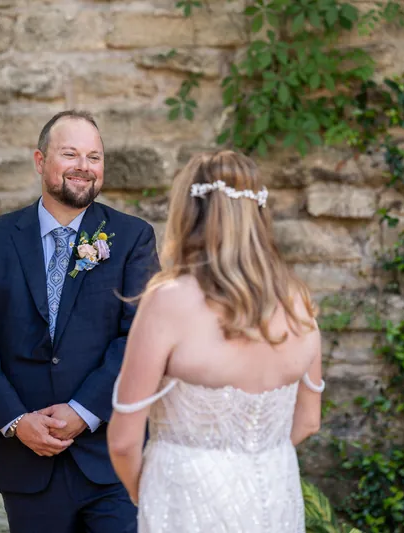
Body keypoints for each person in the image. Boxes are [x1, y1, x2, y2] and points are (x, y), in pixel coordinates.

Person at [0, 110, 159, 533]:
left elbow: (140, 336)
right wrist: (16, 421)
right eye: (70, 153)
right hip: (26, 460)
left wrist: (83, 411)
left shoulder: (133, 237)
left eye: (95, 157)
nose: (84, 166)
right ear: (40, 160)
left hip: (110, 458)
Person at [107, 150, 325, 532]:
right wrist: (257, 456)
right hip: (274, 493)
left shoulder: (167, 301)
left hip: (185, 497)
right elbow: (308, 420)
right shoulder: (299, 306)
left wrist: (149, 493)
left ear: (188, 215)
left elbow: (124, 442)